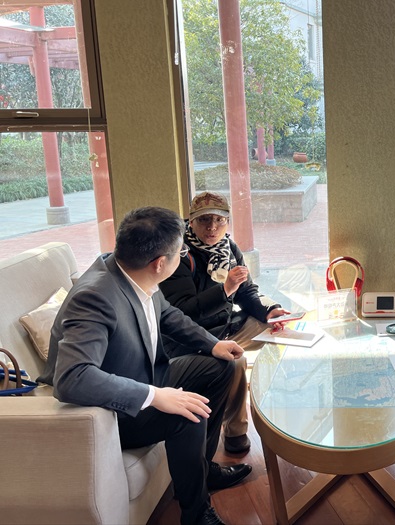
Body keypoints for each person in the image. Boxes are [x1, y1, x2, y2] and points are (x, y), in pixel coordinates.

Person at [38, 207, 251, 525]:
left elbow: (166, 314)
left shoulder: (131, 269)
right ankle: (196, 514)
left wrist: (212, 344)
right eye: (181, 253)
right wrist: (154, 396)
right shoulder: (94, 298)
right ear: (160, 263)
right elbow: (73, 377)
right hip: (114, 409)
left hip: (146, 374)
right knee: (188, 412)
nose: (183, 256)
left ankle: (202, 470)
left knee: (224, 366)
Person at [160, 191, 288, 455]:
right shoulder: (179, 254)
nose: (212, 227)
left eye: (219, 220)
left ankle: (278, 407)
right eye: (204, 220)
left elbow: (247, 292)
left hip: (225, 327)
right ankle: (235, 431)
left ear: (227, 222)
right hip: (192, 339)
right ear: (191, 221)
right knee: (236, 361)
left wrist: (269, 311)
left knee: (280, 329)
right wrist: (225, 289)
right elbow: (181, 313)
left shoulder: (228, 248)